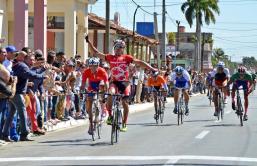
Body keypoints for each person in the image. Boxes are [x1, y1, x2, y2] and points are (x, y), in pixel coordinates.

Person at [86, 36, 156, 132]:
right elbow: (96, 53)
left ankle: (124, 123)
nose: (119, 49)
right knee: (110, 93)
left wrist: (152, 69)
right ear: (114, 48)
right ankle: (110, 116)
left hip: (125, 83)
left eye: (121, 47)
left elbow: (140, 62)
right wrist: (89, 42)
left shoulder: (127, 58)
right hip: (114, 82)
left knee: (124, 102)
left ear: (123, 49)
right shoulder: (110, 57)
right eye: (117, 47)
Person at [80, 57, 109, 135]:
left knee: (101, 87)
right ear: (89, 66)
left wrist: (106, 93)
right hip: (92, 85)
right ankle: (91, 124)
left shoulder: (102, 71)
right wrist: (81, 91)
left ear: (98, 65)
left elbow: (106, 83)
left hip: (100, 83)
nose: (93, 68)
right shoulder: (86, 72)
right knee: (89, 104)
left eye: (95, 66)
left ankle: (100, 108)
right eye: (91, 66)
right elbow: (83, 84)